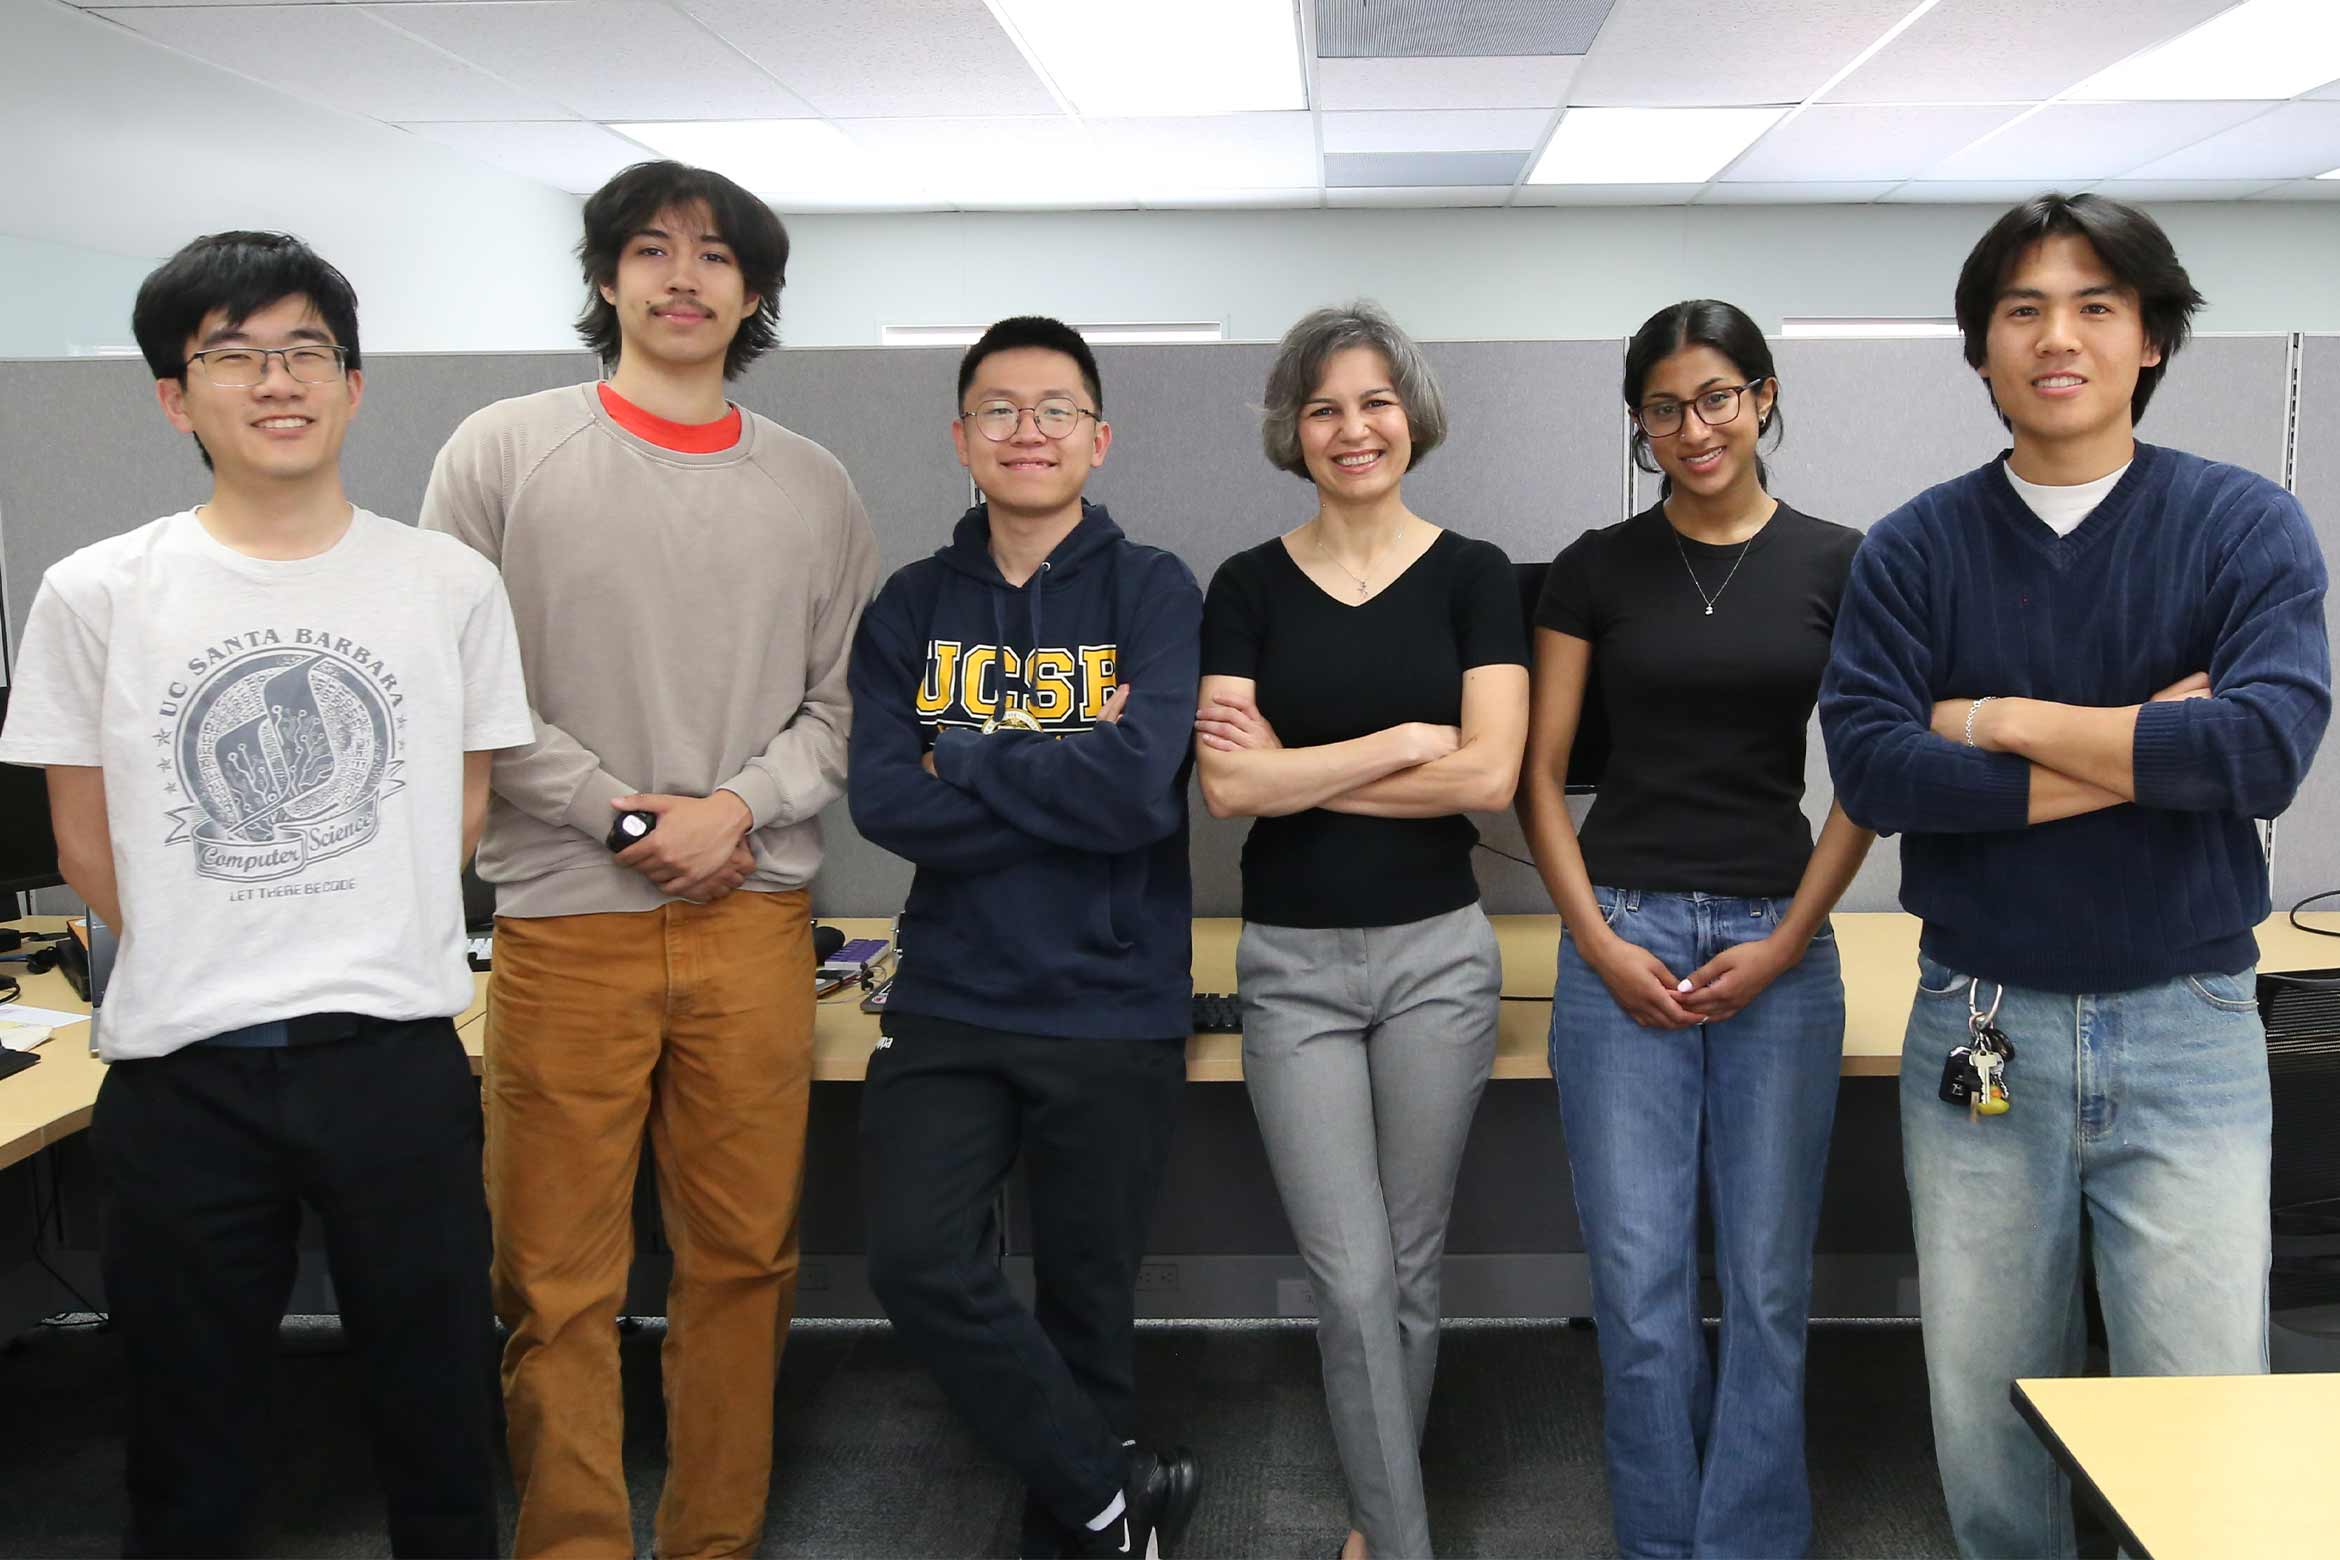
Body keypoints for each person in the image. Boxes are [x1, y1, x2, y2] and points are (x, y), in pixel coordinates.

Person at [0, 230, 533, 1557]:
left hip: (395, 1061)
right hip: (185, 1075)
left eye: (307, 351)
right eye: (233, 355)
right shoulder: (94, 592)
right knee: (188, 1439)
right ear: (177, 398)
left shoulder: (450, 584)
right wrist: (221, 931)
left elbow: (459, 815)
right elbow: (84, 847)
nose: (277, 379)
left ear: (353, 386)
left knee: (442, 1419)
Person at [1820, 193, 2330, 1559]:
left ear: (2153, 339)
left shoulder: (2242, 525)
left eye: (2098, 306)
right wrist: (2151, 741)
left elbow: (2265, 750)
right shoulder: (1916, 548)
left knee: (2207, 1422)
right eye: (2024, 308)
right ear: (1981, 348)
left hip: (2191, 1025)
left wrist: (1992, 719)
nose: (2061, 337)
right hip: (1982, 1020)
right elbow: (1875, 775)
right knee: (1988, 1413)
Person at [420, 160, 880, 1558]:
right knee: (554, 1282)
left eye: (716, 256)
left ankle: (712, 1541)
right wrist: (630, 818)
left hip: (753, 919)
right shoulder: (501, 452)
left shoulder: (816, 485)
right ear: (607, 278)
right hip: (567, 923)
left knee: (743, 1265)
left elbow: (843, 707)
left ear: (755, 293)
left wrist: (732, 811)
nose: (683, 276)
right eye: (649, 249)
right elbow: (463, 684)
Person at [1516, 299, 1872, 1557]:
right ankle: (1664, 1543)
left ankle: (1752, 1541)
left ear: (1764, 397)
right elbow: (1538, 777)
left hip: (1780, 939)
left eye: (1717, 396)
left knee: (1767, 1288)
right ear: (1639, 424)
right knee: (1644, 1293)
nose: (1693, 427)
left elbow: (1871, 774)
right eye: (1664, 407)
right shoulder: (1593, 568)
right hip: (1622, 928)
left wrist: (1787, 941)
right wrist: (1599, 944)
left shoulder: (1842, 560)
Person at [846, 316, 1204, 1560]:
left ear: (1098, 441)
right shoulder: (909, 606)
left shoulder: (1151, 590)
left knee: (1088, 1303)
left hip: (1112, 999)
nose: (1027, 431)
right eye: (998, 410)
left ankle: (1091, 1532)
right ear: (961, 439)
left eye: (1055, 409)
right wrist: (1066, 792)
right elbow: (887, 800)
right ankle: (1116, 1490)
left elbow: (1141, 792)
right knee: (912, 1258)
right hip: (950, 993)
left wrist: (978, 757)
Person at [1194, 300, 1528, 1560]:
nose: (1353, 428)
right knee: (1350, 1277)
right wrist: (1398, 743)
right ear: (1295, 427)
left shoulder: (1474, 574)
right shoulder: (1246, 585)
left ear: (1413, 415)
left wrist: (1302, 764)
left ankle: (1377, 1526)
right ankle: (1405, 1538)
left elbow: (1491, 779)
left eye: (1376, 401)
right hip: (1291, 965)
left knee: (1412, 1263)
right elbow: (1229, 789)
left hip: (1440, 953)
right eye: (1325, 406)